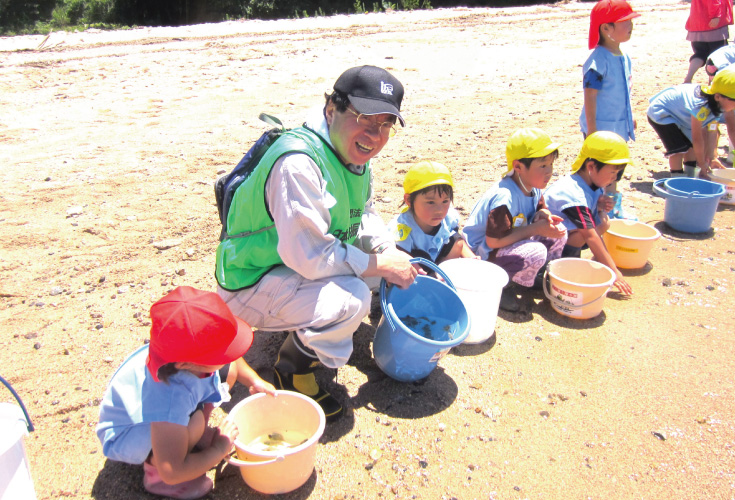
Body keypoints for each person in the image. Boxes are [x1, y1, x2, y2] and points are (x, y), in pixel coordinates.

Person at [214, 65, 418, 422]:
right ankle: (292, 368)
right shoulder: (299, 163)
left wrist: (386, 250)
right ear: (331, 110)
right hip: (250, 280)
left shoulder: (350, 152)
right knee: (353, 297)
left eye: (386, 124)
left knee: (380, 268)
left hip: (287, 262)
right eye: (365, 117)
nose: (375, 133)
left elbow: (362, 212)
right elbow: (311, 257)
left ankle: (306, 325)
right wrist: (379, 265)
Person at [96, 286, 276, 500]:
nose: (231, 352)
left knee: (226, 372)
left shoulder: (180, 355)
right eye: (222, 351)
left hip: (161, 412)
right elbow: (171, 469)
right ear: (185, 364)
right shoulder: (171, 396)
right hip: (131, 431)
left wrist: (254, 380)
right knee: (195, 421)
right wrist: (218, 449)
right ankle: (157, 479)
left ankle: (190, 439)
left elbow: (231, 357)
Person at [463, 128, 567, 290]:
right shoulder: (505, 198)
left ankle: (540, 274)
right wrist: (536, 228)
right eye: (543, 165)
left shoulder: (533, 186)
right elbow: (493, 241)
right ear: (518, 166)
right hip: (482, 255)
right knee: (536, 251)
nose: (549, 172)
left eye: (551, 164)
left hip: (509, 242)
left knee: (559, 231)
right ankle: (505, 287)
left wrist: (543, 214)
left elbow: (540, 208)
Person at [543, 132, 633, 296]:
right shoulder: (573, 195)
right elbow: (591, 235)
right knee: (584, 235)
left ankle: (581, 260)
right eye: (613, 172)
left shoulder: (592, 182)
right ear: (591, 166)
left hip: (564, 234)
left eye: (618, 174)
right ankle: (562, 267)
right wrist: (614, 272)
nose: (614, 179)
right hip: (545, 245)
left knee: (604, 222)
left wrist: (599, 208)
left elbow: (594, 223)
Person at [580, 0, 641, 220]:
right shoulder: (597, 60)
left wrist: (629, 117)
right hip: (602, 127)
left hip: (618, 125)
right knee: (599, 172)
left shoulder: (623, 57)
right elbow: (590, 95)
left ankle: (613, 208)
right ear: (606, 28)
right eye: (625, 22)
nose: (631, 26)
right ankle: (599, 210)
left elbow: (625, 92)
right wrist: (593, 130)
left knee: (615, 170)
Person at [647, 68, 735, 178]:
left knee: (691, 146)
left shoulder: (718, 106)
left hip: (681, 116)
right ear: (718, 96)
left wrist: (712, 157)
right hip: (663, 113)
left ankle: (691, 174)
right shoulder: (701, 106)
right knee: (679, 149)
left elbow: (712, 131)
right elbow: (698, 138)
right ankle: (677, 178)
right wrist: (702, 163)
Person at [389, 161, 477, 263]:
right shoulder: (401, 230)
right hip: (415, 271)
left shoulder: (449, 217)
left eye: (445, 201)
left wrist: (472, 259)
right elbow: (398, 264)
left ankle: (440, 275)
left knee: (456, 241)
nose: (439, 210)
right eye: (431, 202)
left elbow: (458, 242)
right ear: (408, 200)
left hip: (440, 266)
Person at [683, 0, 734, 84]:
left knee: (700, 54)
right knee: (717, 56)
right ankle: (712, 82)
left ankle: (688, 78)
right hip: (713, 24)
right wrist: (715, 15)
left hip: (697, 24)